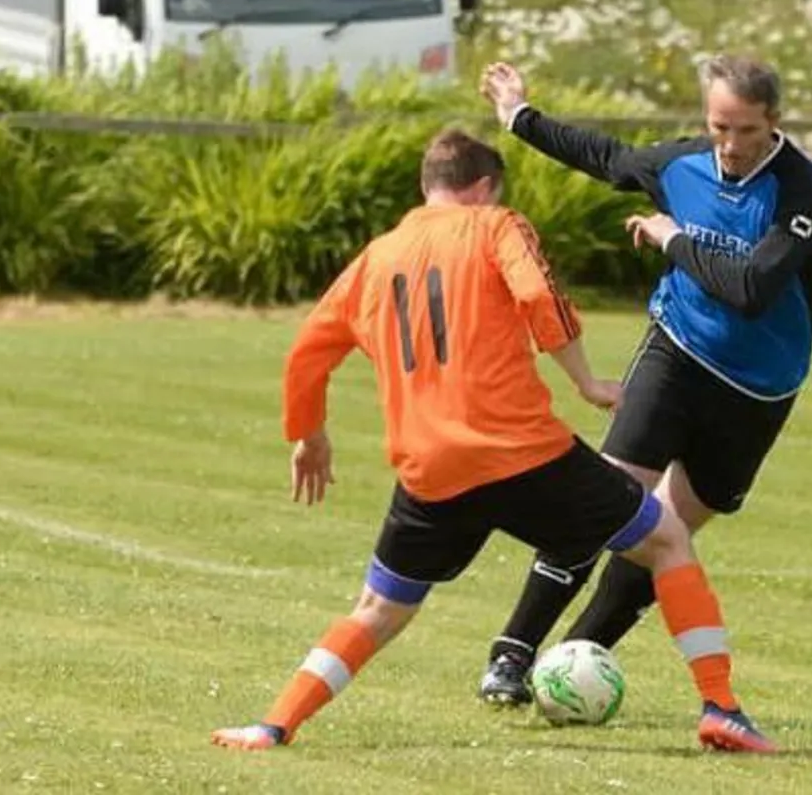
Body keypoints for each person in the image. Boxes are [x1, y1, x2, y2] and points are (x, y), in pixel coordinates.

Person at [207, 128, 776, 754]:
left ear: (429, 187)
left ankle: (273, 725)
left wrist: (308, 436)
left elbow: (307, 354)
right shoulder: (496, 224)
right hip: (524, 454)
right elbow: (539, 295)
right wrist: (585, 381)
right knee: (667, 539)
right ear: (482, 188)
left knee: (378, 608)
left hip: (430, 469)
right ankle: (720, 707)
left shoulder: (377, 256)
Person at [474, 56, 812, 708]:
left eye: (745, 130)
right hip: (676, 357)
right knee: (607, 501)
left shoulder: (803, 190)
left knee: (662, 535)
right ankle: (514, 651)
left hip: (757, 394)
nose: (728, 144)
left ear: (773, 122)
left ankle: (575, 662)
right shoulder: (682, 164)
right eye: (718, 127)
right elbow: (608, 157)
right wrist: (519, 117)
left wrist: (671, 239)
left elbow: (752, 289)